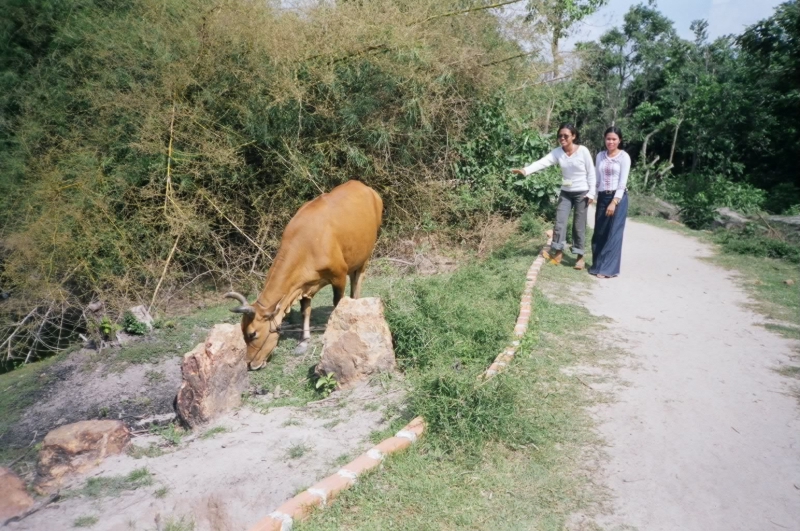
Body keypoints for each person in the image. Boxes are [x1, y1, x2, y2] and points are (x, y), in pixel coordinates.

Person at [512, 124, 596, 270]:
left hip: (582, 192)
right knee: (560, 222)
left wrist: (591, 193)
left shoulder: (583, 151)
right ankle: (558, 252)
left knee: (579, 225)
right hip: (566, 191)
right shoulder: (558, 152)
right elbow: (543, 162)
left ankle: (580, 256)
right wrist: (525, 171)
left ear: (573, 136)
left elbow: (592, 173)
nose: (562, 138)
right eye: (560, 136)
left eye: (566, 136)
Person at [589, 126, 630, 278]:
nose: (611, 142)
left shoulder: (624, 157)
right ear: (604, 139)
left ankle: (608, 269)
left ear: (619, 140)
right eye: (608, 139)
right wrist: (591, 194)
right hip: (602, 196)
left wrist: (614, 202)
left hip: (617, 198)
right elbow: (596, 179)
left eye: (614, 139)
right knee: (599, 232)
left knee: (613, 233)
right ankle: (597, 265)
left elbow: (622, 181)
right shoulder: (600, 156)